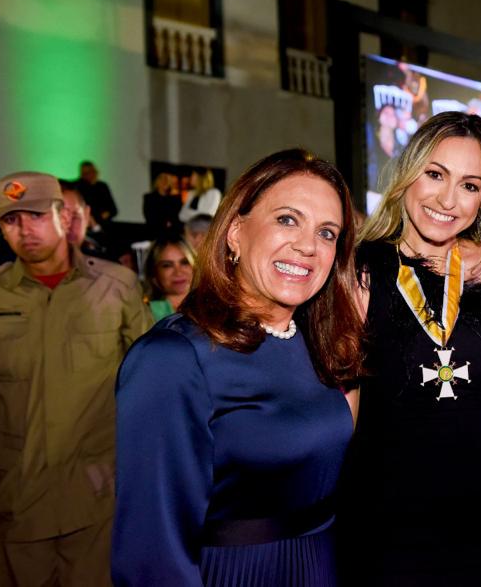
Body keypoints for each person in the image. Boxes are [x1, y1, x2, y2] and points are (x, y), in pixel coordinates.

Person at [112, 150, 365, 586]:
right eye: (287, 219)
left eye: (327, 233)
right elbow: (152, 556)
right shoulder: (172, 359)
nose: (308, 245)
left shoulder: (322, 344)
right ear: (234, 232)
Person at [338, 112, 481, 585]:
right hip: (388, 529)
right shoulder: (359, 273)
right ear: (408, 173)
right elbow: (341, 418)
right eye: (435, 174)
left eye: (470, 185)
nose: (448, 200)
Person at [0, 171, 152, 586]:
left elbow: (149, 384)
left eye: (34, 216)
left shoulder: (115, 287)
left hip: (97, 499)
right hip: (14, 499)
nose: (23, 231)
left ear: (61, 214)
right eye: (10, 221)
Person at [143, 237, 195, 321]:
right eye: (167, 265)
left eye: (184, 262)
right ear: (154, 273)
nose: (178, 272)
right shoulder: (145, 314)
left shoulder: (214, 306)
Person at [142, 170, 182, 239]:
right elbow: (150, 217)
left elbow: (177, 217)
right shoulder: (149, 198)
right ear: (157, 182)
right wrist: (165, 223)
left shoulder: (175, 199)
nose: (164, 181)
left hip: (171, 235)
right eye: (161, 179)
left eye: (166, 179)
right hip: (154, 234)